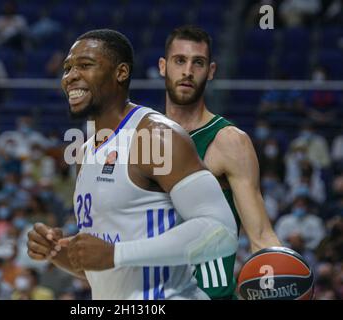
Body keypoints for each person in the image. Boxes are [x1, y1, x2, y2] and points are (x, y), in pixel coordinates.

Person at [27, 29, 238, 300]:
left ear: (121, 73)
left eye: (85, 65)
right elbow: (108, 268)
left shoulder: (156, 136)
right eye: (67, 68)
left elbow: (221, 232)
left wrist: (116, 254)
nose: (70, 76)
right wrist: (56, 252)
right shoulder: (84, 152)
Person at [159, 26, 281, 299]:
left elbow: (261, 235)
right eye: (180, 61)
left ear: (211, 71)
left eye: (198, 63)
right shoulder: (139, 139)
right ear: (163, 66)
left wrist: (282, 279)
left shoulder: (229, 142)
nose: (188, 71)